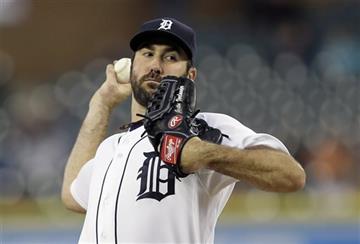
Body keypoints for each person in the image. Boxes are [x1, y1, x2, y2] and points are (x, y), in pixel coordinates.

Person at [61, 17, 306, 243]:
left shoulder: (203, 127)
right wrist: (101, 105)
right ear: (131, 66)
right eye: (147, 54)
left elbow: (291, 175)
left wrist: (205, 153)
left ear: (190, 75)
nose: (155, 66)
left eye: (170, 58)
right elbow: (73, 195)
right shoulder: (111, 147)